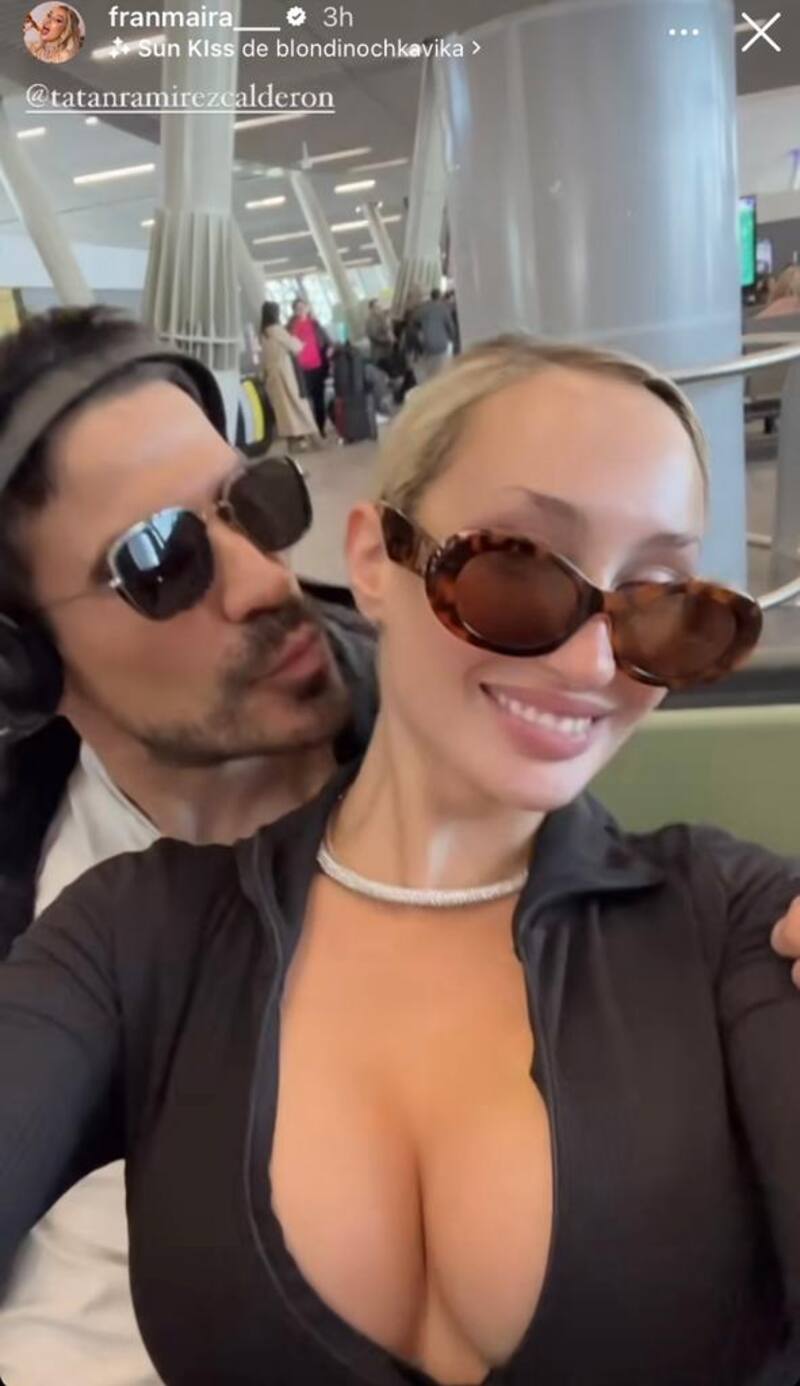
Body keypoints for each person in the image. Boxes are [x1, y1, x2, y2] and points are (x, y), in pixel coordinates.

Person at [2, 333, 800, 1386]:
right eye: (160, 559)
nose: (591, 662)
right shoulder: (120, 927)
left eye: (660, 602)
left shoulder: (727, 917)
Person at [0, 305, 377, 1384]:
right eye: (162, 559)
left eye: (251, 502)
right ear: (21, 665)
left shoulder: (456, 756)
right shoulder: (27, 863)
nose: (266, 580)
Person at [259, 301, 318, 450]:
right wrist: (302, 342)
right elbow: (295, 346)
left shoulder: (263, 333)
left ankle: (293, 444)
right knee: (299, 405)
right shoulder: (276, 329)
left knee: (283, 412)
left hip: (272, 376)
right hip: (285, 373)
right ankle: (314, 439)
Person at [286, 298, 331, 438]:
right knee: (305, 401)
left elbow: (327, 341)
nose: (301, 310)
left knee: (319, 399)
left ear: (307, 308)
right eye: (297, 308)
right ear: (294, 311)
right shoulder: (290, 327)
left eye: (303, 306)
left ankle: (320, 428)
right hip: (300, 371)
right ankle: (310, 430)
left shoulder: (315, 324)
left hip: (317, 367)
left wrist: (330, 349)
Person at [408, 286, 456, 384]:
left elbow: (413, 319)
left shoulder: (423, 308)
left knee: (431, 372)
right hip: (442, 344)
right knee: (443, 370)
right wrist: (452, 337)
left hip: (428, 345)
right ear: (440, 296)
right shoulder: (443, 308)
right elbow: (450, 326)